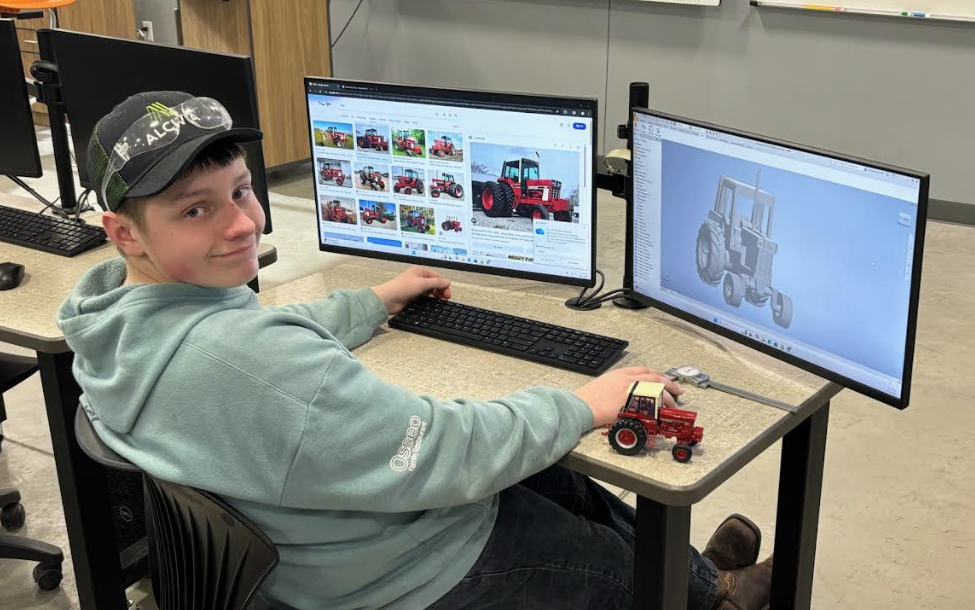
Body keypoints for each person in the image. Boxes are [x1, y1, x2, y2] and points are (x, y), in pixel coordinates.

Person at [58, 91, 772, 610]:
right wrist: (582, 402)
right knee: (592, 542)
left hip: (305, 543)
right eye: (195, 208)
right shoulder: (246, 364)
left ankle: (704, 585)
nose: (243, 223)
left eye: (241, 190)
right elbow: (437, 450)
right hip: (395, 573)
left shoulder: (115, 320)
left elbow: (262, 347)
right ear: (124, 231)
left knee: (562, 480)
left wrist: (372, 301)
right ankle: (704, 602)